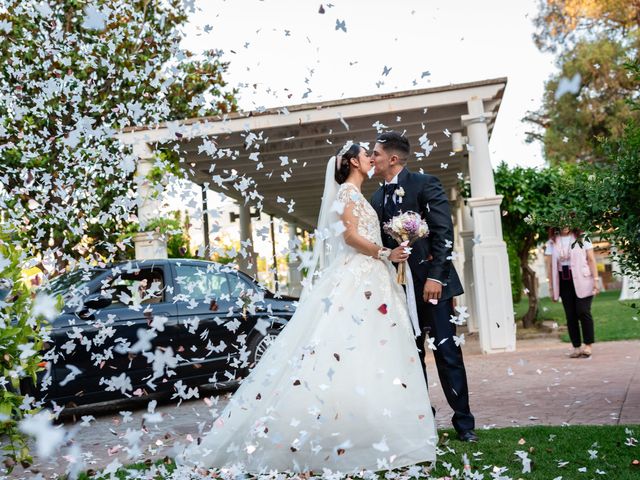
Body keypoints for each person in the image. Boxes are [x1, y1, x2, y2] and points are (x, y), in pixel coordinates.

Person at [180, 143, 437, 474]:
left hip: (375, 280)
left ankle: (378, 431)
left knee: (372, 354)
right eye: (365, 155)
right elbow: (350, 238)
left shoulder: (361, 196)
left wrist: (392, 251)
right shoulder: (345, 194)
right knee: (341, 351)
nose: (370, 158)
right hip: (358, 280)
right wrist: (385, 253)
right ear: (352, 163)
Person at [370, 131, 477, 443]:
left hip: (434, 288)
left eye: (376, 154)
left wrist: (435, 277)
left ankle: (465, 425)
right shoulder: (376, 199)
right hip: (399, 290)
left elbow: (444, 231)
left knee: (447, 353)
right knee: (411, 358)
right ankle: (422, 421)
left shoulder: (425, 183)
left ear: (392, 158)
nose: (372, 158)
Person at [545, 227, 599, 358]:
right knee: (570, 315)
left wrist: (596, 280)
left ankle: (588, 345)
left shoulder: (582, 237)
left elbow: (591, 259)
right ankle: (576, 347)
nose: (565, 224)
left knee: (583, 310)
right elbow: (549, 266)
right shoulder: (551, 242)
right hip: (564, 282)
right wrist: (551, 287)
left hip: (583, 279)